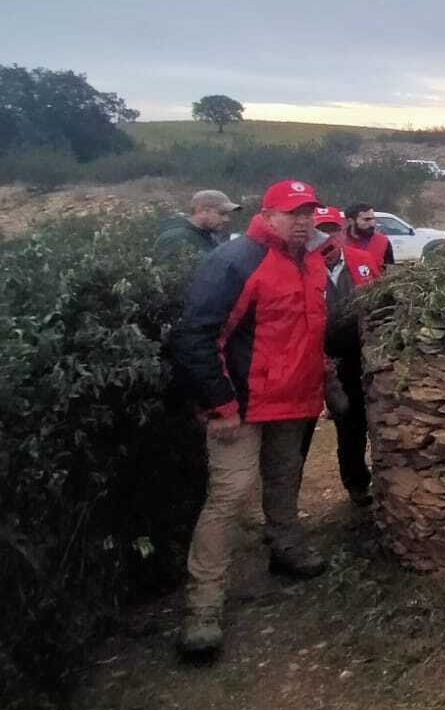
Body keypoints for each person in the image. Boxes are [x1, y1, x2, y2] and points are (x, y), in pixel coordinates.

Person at [169, 179, 332, 659]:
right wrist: (219, 405)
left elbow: (310, 330)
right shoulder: (235, 260)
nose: (303, 221)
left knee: (284, 478)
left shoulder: (312, 260)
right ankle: (203, 606)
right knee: (229, 497)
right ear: (268, 214)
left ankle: (286, 548)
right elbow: (196, 336)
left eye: (309, 212)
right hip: (241, 405)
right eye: (293, 213)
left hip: (291, 400)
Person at [305, 206, 373, 507]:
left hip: (361, 355)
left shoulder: (363, 260)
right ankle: (354, 485)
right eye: (321, 230)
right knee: (334, 425)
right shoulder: (302, 265)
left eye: (332, 229)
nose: (327, 237)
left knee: (363, 420)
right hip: (319, 356)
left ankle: (367, 482)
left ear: (342, 229)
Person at [153, 189, 240, 261]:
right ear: (204, 211)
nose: (226, 219)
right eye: (222, 214)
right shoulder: (176, 238)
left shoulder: (208, 235)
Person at [343, 202, 394, 274]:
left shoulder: (383, 241)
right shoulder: (339, 243)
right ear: (351, 221)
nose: (372, 224)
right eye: (366, 220)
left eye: (373, 219)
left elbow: (390, 272)